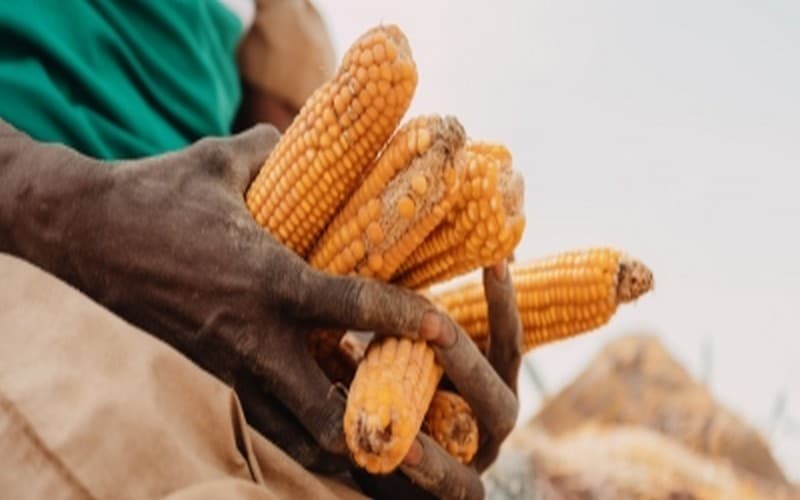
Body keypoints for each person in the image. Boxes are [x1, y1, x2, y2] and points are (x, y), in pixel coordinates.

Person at [0, 1, 522, 498]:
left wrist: (386, 411)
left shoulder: (280, 21)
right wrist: (79, 222)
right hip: (29, 256)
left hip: (211, 322)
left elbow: (302, 179)